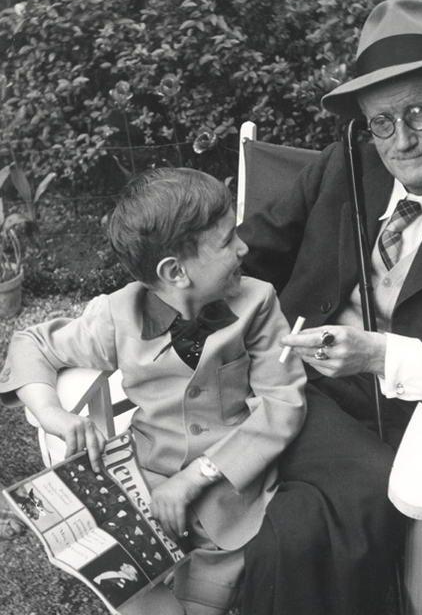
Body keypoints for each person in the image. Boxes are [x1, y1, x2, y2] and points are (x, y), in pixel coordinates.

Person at [238, 0, 422, 615]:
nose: (402, 140)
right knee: (300, 524)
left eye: (420, 111)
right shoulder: (346, 166)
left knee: (301, 526)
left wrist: (384, 355)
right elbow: (250, 254)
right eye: (382, 122)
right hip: (283, 384)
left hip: (397, 419)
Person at [0, 167, 307, 615]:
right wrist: (53, 415)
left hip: (228, 498)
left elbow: (284, 403)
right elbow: (32, 344)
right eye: (226, 242)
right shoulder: (116, 315)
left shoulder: (258, 303)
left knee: (207, 600)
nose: (243, 248)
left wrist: (194, 477)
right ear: (174, 272)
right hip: (142, 482)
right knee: (132, 593)